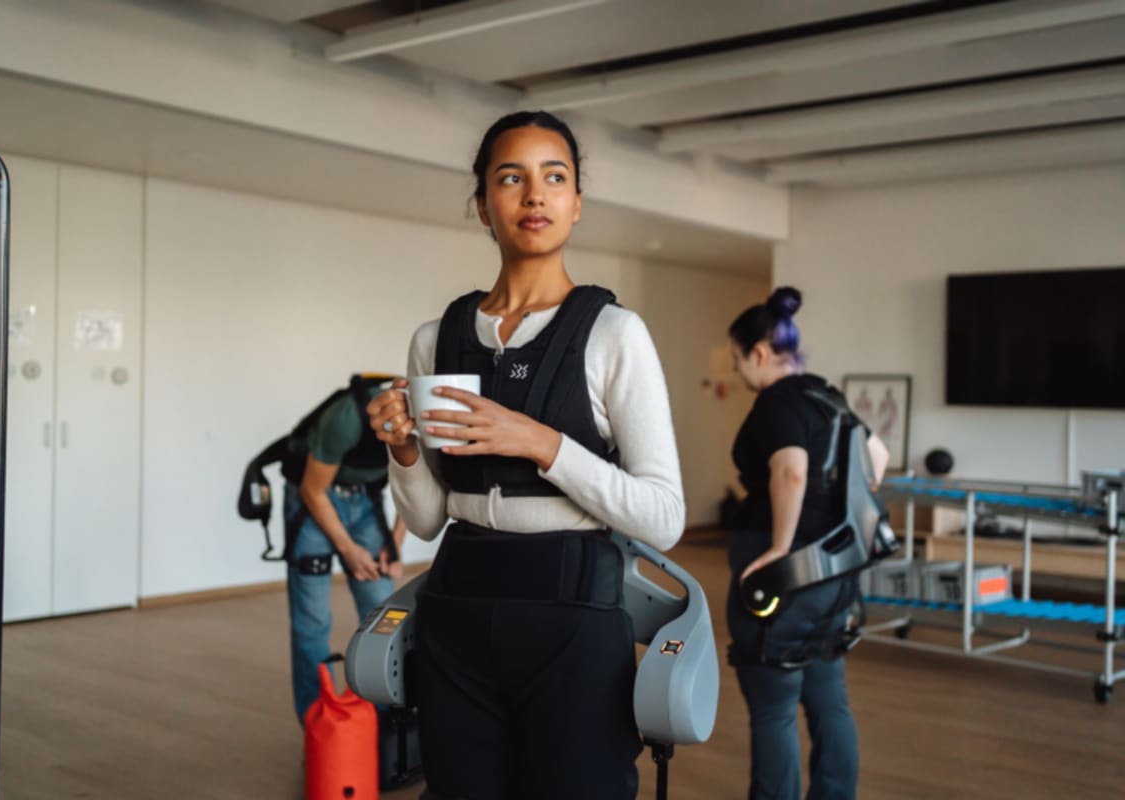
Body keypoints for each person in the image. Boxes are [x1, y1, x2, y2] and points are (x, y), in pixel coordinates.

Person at [366, 110, 684, 800]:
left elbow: (663, 516)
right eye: (511, 178)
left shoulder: (614, 334)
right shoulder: (436, 338)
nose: (534, 195)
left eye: (555, 177)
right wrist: (404, 449)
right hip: (456, 603)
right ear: (483, 203)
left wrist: (541, 444)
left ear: (576, 204)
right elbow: (425, 520)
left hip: (573, 610)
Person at [726, 287, 889, 800]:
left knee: (773, 707)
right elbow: (878, 458)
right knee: (829, 700)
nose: (736, 371)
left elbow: (791, 472)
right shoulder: (827, 396)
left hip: (787, 579)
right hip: (835, 574)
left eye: (736, 359)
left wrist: (780, 547)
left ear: (758, 353)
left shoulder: (776, 402)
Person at [285, 374, 407, 722]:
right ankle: (317, 723)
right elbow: (313, 491)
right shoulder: (346, 418)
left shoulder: (425, 424)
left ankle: (383, 722)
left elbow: (416, 487)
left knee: (383, 614)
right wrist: (348, 549)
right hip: (312, 503)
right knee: (313, 621)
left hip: (366, 503)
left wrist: (395, 543)